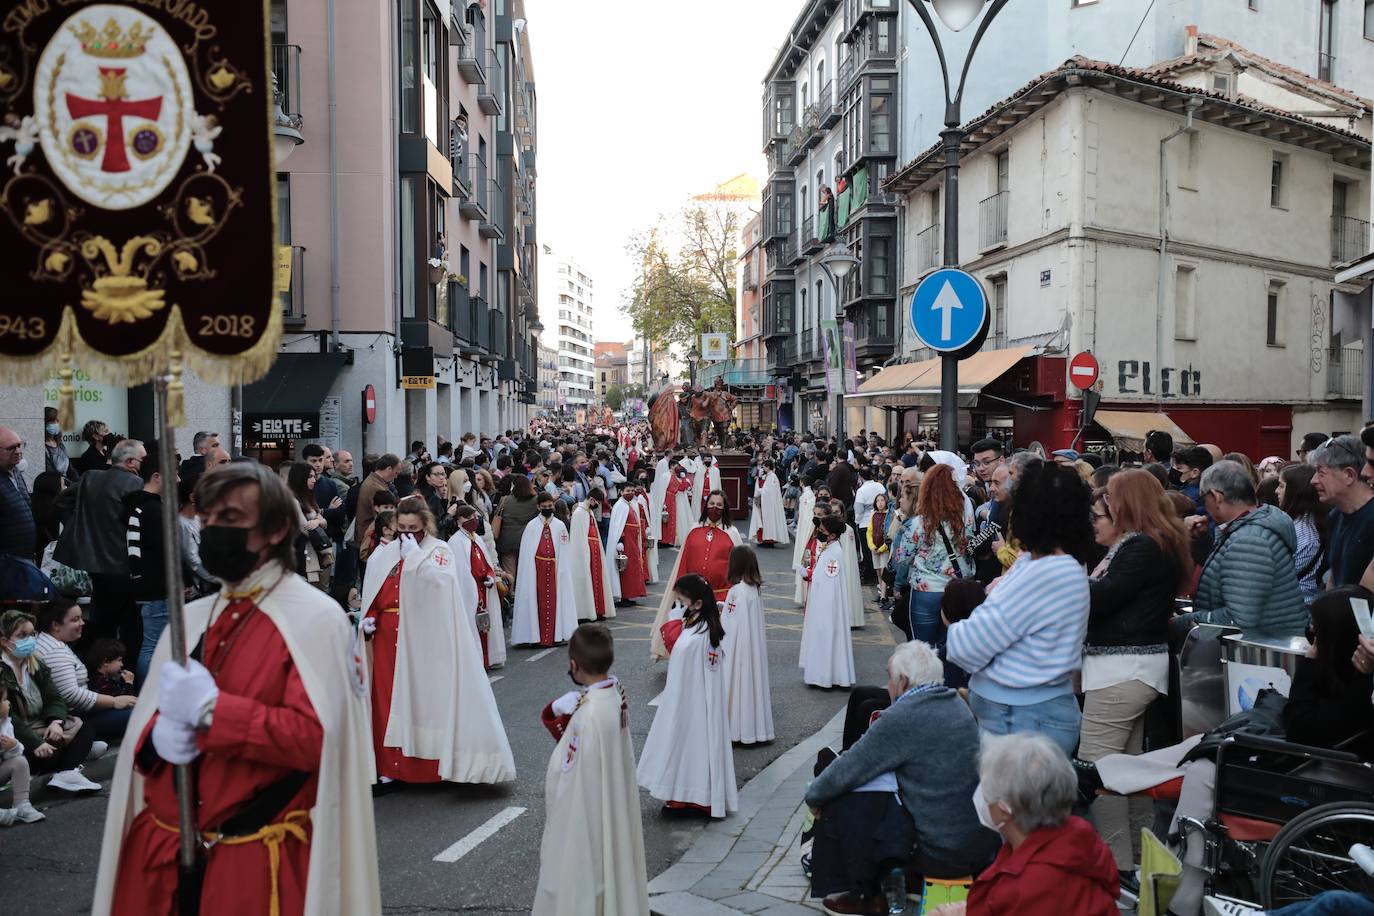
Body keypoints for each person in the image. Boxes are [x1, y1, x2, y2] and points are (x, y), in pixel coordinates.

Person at [94, 462, 381, 916]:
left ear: (276, 528)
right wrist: (156, 739)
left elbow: (313, 742)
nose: (212, 530)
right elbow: (152, 733)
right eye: (207, 519)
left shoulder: (315, 619)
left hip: (254, 862)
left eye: (229, 519)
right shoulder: (190, 620)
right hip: (165, 854)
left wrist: (213, 712)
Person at [805, 641, 1000, 915]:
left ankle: (871, 894)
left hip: (942, 850)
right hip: (975, 842)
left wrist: (814, 796)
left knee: (847, 797)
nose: (887, 687)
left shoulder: (906, 714)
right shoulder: (954, 703)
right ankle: (893, 880)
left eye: (889, 678)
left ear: (904, 680)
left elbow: (850, 766)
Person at [360, 496, 515, 790]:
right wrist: (369, 617)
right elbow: (376, 590)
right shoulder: (385, 554)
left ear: (425, 525)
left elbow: (443, 586)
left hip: (424, 638)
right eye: (401, 528)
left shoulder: (438, 551)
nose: (407, 533)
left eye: (413, 528)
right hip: (386, 636)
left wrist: (416, 557)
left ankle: (430, 766)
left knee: (424, 701)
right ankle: (389, 767)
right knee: (386, 698)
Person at [1081, 470, 1190, 877]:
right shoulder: (1148, 544)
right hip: (1130, 670)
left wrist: (1071, 577)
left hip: (1121, 671)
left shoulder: (1139, 547)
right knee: (1126, 769)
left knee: (1097, 770)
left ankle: (1115, 867)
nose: (1102, 508)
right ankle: (1141, 862)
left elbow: (1104, 597)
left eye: (1108, 499)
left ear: (1127, 504)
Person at [946, 461, 1094, 757]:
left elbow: (967, 644)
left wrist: (964, 629)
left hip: (1022, 720)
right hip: (1023, 713)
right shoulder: (1044, 564)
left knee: (1007, 803)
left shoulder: (1048, 571)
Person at [928, 733, 1118, 916]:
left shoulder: (1028, 886)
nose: (981, 797)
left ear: (1004, 809)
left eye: (985, 788)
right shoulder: (1077, 835)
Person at [533, 623, 649, 915]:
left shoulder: (587, 715)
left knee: (584, 874)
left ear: (574, 665)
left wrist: (564, 714)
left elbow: (565, 772)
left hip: (588, 811)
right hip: (612, 798)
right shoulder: (615, 692)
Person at [637, 574, 738, 818]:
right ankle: (679, 796)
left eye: (682, 601)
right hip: (682, 700)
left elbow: (709, 675)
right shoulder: (693, 622)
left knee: (694, 751)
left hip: (697, 706)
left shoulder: (707, 635)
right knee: (678, 748)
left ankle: (699, 798)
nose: (679, 605)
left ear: (698, 604)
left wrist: (706, 711)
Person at [1176, 460, 1307, 637]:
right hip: (1265, 643)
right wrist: (1200, 540)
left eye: (1203, 499)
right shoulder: (1255, 524)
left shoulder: (1249, 540)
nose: (1204, 506)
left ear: (1216, 496)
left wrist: (1180, 623)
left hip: (1259, 651)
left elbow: (1239, 618)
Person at [55, 438, 146, 667]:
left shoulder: (90, 477)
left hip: (94, 563)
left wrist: (79, 526)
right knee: (129, 625)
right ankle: (121, 672)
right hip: (123, 564)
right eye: (143, 459)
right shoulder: (135, 484)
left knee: (101, 620)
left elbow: (62, 500)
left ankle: (95, 670)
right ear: (131, 461)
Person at [0, 608, 100, 792]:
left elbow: (54, 697)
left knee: (84, 727)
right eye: (22, 635)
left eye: (31, 634)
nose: (29, 640)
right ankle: (73, 759)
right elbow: (10, 718)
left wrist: (55, 722)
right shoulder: (2, 671)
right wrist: (36, 743)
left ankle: (67, 772)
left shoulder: (34, 662)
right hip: (16, 737)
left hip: (41, 727)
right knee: (49, 752)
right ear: (5, 641)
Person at [650, 491, 742, 659]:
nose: (715, 508)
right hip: (694, 599)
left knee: (716, 644)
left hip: (720, 597)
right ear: (705, 506)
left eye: (719, 505)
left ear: (725, 508)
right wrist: (680, 592)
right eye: (712, 504)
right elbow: (683, 562)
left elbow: (737, 570)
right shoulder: (694, 530)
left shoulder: (732, 533)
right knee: (693, 639)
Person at [35, 599, 136, 743]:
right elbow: (71, 694)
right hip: (71, 717)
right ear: (56, 625)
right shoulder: (55, 651)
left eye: (81, 618)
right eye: (75, 619)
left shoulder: (50, 642)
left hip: (73, 712)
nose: (82, 623)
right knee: (137, 715)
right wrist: (114, 701)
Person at [901, 463, 974, 646]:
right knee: (951, 649)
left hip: (926, 590)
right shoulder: (966, 520)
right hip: (957, 591)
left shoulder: (919, 523)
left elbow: (903, 557)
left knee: (923, 649)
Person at [123, 444, 174, 683]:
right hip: (157, 585)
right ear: (156, 476)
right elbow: (167, 549)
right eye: (173, 473)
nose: (177, 479)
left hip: (142, 583)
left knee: (150, 643)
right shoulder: (153, 509)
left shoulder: (134, 504)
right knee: (153, 645)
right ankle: (147, 692)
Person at [512, 491, 579, 648]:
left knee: (556, 600)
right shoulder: (531, 526)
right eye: (544, 506)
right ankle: (535, 636)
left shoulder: (560, 525)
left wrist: (562, 569)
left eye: (550, 506)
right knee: (537, 601)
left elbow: (564, 549)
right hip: (536, 570)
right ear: (538, 507)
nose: (548, 508)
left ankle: (557, 634)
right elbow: (527, 553)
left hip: (555, 569)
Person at [721, 546, 773, 744]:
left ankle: (737, 731)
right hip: (752, 649)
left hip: (739, 650)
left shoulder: (736, 591)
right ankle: (755, 731)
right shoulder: (754, 589)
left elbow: (729, 626)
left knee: (737, 687)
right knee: (752, 687)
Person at [1309, 435, 1374, 589]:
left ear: (1349, 475)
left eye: (1321, 472)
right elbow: (1335, 576)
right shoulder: (1335, 516)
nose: (1313, 480)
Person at [448, 504, 508, 670]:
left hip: (484, 586)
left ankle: (489, 658)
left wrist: (490, 576)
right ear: (458, 521)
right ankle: (476, 661)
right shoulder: (455, 542)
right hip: (470, 588)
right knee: (473, 623)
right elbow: (460, 570)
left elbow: (487, 562)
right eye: (467, 518)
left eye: (474, 517)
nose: (472, 521)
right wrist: (472, 584)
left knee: (486, 624)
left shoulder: (477, 538)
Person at [799, 515, 857, 689]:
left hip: (826, 606)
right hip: (822, 602)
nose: (819, 533)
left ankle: (824, 677)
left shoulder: (834, 553)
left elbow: (828, 583)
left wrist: (809, 575)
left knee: (825, 638)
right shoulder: (829, 548)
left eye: (822, 531)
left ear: (832, 535)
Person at [1277, 463, 1329, 603]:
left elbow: (1280, 577)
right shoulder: (1311, 523)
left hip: (1296, 606)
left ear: (1295, 491)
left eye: (1281, 486)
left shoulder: (1300, 531)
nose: (1276, 491)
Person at [0, 680, 45, 826]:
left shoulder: (4, 723)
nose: (8, 704)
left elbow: (13, 755)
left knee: (19, 761)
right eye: (4, 700)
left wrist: (13, 745)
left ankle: (22, 805)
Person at [566, 493, 615, 622]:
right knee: (586, 581)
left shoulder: (589, 512)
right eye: (597, 502)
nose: (598, 505)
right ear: (591, 499)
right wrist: (585, 553)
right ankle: (585, 612)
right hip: (585, 552)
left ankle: (597, 609)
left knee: (597, 580)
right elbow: (578, 538)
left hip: (595, 552)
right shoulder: (579, 513)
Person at [289, 463, 333, 592]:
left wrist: (317, 522)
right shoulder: (293, 500)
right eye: (310, 477)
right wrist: (318, 522)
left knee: (321, 589)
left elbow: (323, 521)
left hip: (316, 551)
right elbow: (306, 528)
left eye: (314, 476)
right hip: (303, 552)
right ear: (299, 478)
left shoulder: (309, 498)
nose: (314, 480)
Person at [493, 472, 541, 581]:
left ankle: (509, 594)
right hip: (528, 541)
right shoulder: (535, 501)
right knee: (526, 572)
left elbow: (497, 515)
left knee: (509, 573)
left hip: (507, 542)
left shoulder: (505, 500)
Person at [607, 485, 648, 607]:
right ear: (621, 492)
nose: (630, 493)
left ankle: (629, 594)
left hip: (632, 541)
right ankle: (623, 595)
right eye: (627, 491)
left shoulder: (628, 505)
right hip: (625, 543)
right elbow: (618, 527)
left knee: (631, 568)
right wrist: (620, 541)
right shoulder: (620, 506)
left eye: (631, 490)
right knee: (625, 569)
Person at [0, 425, 36, 563]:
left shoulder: (15, 472)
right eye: (11, 448)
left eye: (20, 445)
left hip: (24, 559)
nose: (18, 451)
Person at [353, 453, 401, 553]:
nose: (396, 477)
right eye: (396, 473)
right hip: (371, 539)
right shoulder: (375, 486)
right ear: (388, 469)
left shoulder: (375, 481)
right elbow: (383, 517)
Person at [749, 459, 790, 547]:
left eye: (763, 467)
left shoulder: (772, 477)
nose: (762, 468)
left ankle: (769, 540)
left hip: (770, 505)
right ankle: (764, 539)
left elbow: (769, 491)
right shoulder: (767, 476)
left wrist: (759, 491)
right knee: (764, 522)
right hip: (765, 504)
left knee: (769, 522)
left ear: (768, 467)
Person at [867, 492, 893, 607]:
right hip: (874, 548)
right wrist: (872, 546)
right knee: (878, 571)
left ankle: (883, 596)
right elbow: (869, 532)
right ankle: (881, 592)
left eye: (882, 500)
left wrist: (882, 548)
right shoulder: (873, 514)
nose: (880, 503)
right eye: (878, 501)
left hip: (884, 549)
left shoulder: (889, 515)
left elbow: (889, 534)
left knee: (883, 572)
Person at [1175, 446, 1214, 519]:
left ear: (1194, 473)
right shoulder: (1208, 490)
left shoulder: (1188, 498)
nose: (1175, 471)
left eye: (1179, 468)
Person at [43, 407, 74, 481]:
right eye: (53, 421)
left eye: (58, 421)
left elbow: (70, 468)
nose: (56, 424)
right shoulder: (43, 447)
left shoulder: (60, 444)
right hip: (55, 486)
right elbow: (51, 472)